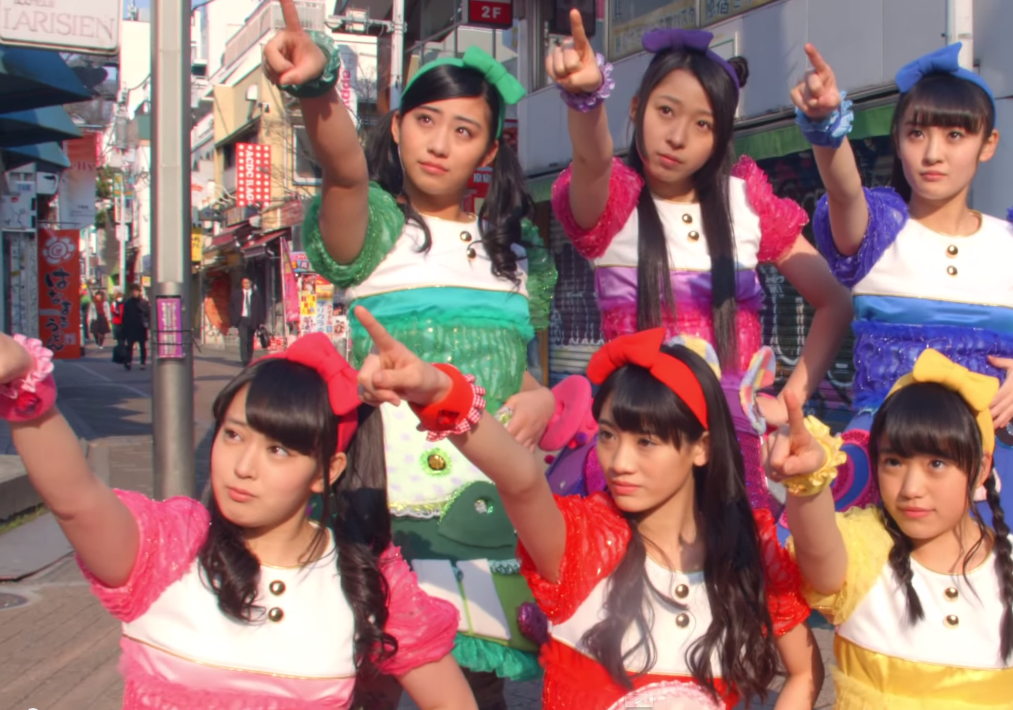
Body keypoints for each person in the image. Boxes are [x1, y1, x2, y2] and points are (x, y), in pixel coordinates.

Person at [263, 0, 559, 704]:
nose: (439, 144)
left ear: (489, 152)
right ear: (395, 127)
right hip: (385, 490)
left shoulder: (514, 250)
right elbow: (343, 171)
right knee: (372, 677)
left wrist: (542, 396)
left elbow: (513, 367)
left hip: (486, 495)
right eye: (425, 121)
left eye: (464, 131)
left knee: (479, 681)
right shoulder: (374, 229)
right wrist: (318, 90)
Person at [352, 308, 824, 710]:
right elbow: (520, 480)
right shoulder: (584, 543)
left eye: (646, 442)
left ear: (701, 447)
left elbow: (804, 671)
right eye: (608, 435)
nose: (619, 462)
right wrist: (441, 393)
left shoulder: (746, 551)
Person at [0, 332, 476, 709]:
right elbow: (75, 499)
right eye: (232, 435)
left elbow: (451, 700)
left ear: (326, 472)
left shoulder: (364, 577)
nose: (243, 467)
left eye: (278, 450)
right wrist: (26, 382)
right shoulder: (170, 546)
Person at [790, 42, 1013, 544]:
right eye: (916, 133)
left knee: (1009, 582)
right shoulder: (878, 230)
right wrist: (826, 127)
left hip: (984, 458)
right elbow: (843, 189)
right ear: (898, 140)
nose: (933, 153)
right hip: (883, 455)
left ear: (988, 144)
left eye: (955, 135)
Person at [547, 12, 853, 513]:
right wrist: (586, 100)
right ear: (635, 108)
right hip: (638, 442)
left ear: (721, 136)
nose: (677, 137)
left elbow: (834, 301)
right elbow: (592, 159)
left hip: (733, 445)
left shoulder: (747, 203)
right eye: (665, 111)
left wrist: (790, 399)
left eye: (703, 124)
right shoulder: (614, 200)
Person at [772, 349, 1013, 709]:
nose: (911, 488)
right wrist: (808, 482)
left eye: (936, 464)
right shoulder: (864, 552)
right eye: (894, 462)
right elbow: (818, 552)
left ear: (980, 470)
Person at [230, 276, 266, 367]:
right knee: (244, 339)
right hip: (242, 319)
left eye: (247, 283)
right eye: (244, 283)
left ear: (250, 283)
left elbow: (260, 308)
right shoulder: (237, 294)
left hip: (252, 319)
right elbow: (231, 307)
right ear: (242, 284)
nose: (246, 285)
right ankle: (244, 360)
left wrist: (261, 321)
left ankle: (249, 358)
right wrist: (234, 319)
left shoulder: (255, 295)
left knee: (250, 340)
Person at [120, 284, 150, 371]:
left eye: (136, 291)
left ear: (139, 292)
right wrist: (123, 330)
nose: (134, 293)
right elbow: (125, 317)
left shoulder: (143, 302)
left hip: (141, 327)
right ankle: (128, 361)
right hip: (130, 328)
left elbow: (148, 314)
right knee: (129, 346)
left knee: (142, 346)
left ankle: (142, 362)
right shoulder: (128, 303)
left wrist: (147, 324)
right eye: (133, 291)